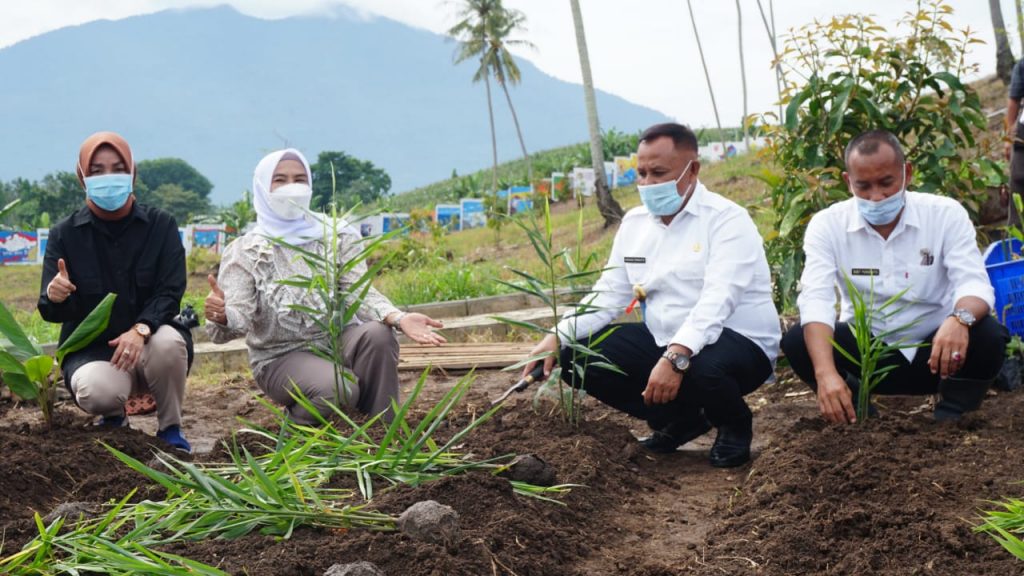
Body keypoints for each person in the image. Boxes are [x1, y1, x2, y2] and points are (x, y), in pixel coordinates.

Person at [522, 123, 780, 468]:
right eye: (641, 173)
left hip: (738, 340)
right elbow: (609, 293)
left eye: (659, 173)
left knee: (702, 366)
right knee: (578, 356)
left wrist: (676, 356)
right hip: (666, 336)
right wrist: (558, 334)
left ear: (693, 171)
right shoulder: (635, 223)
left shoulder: (727, 220)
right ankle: (684, 419)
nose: (647, 184)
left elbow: (718, 300)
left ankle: (734, 423)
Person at [782, 130, 1009, 424]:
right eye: (863, 186)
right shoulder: (828, 225)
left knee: (988, 335)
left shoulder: (944, 215)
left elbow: (974, 283)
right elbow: (816, 299)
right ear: (847, 181)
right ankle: (857, 413)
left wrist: (959, 320)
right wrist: (825, 373)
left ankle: (953, 416)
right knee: (800, 341)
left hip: (939, 355)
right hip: (869, 356)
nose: (876, 197)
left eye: (887, 183)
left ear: (907, 173)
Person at [205, 148, 445, 425]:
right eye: (280, 180)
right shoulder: (247, 250)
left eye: (299, 179)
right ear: (262, 187)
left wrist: (399, 318)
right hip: (281, 355)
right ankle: (296, 432)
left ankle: (381, 435)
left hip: (337, 340)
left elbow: (358, 291)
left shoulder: (334, 235)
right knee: (339, 388)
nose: (291, 188)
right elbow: (235, 320)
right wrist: (222, 315)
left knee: (379, 335)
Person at [38, 131, 193, 453]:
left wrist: (141, 329)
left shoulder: (160, 225)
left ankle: (171, 428)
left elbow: (170, 290)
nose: (108, 177)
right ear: (82, 177)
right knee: (97, 390)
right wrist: (55, 296)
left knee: (169, 342)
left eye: (118, 168)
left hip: (151, 341)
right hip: (95, 352)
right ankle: (114, 418)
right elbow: (52, 312)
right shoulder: (64, 235)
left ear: (133, 173)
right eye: (97, 170)